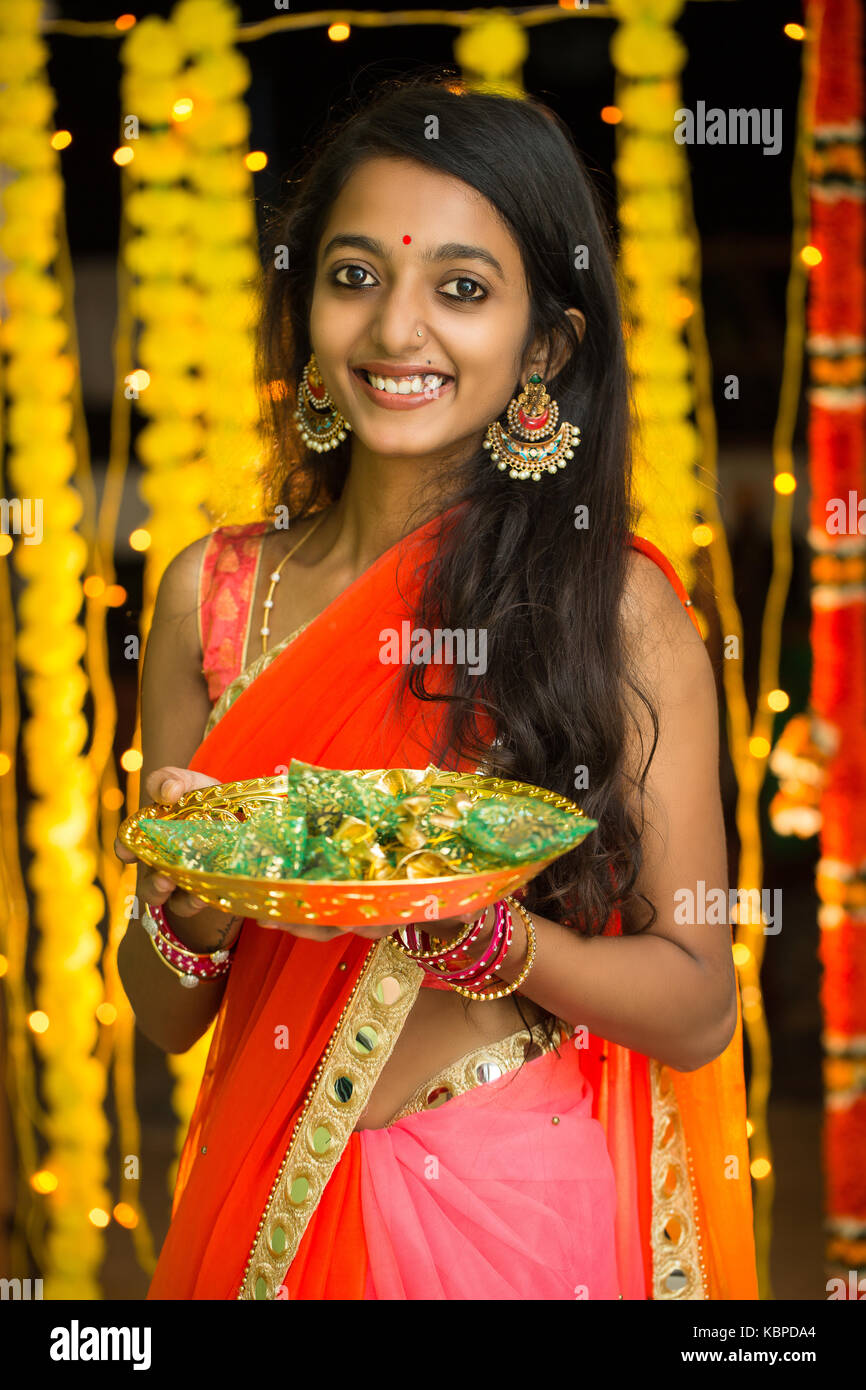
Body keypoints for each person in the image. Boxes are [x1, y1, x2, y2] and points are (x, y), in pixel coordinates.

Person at [116, 75, 758, 1300]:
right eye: (355, 276)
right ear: (304, 303)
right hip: (274, 1220)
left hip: (524, 1209)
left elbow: (695, 1005)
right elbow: (163, 1014)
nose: (396, 331)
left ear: (547, 343)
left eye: (460, 290)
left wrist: (501, 941)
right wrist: (189, 916)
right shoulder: (212, 595)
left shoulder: (613, 612)